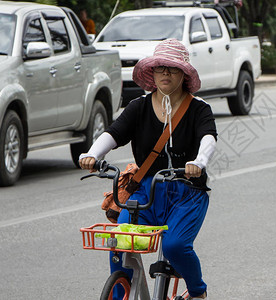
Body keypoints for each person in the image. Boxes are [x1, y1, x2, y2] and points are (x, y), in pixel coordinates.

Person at [79, 38, 217, 299]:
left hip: (187, 193)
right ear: (152, 72)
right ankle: (123, 293)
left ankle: (198, 292)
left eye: (173, 68)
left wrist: (198, 163)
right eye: (160, 67)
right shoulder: (139, 107)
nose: (165, 73)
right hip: (147, 191)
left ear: (184, 74)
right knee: (121, 240)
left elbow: (208, 137)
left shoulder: (199, 108)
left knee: (175, 246)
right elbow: (114, 133)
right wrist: (92, 154)